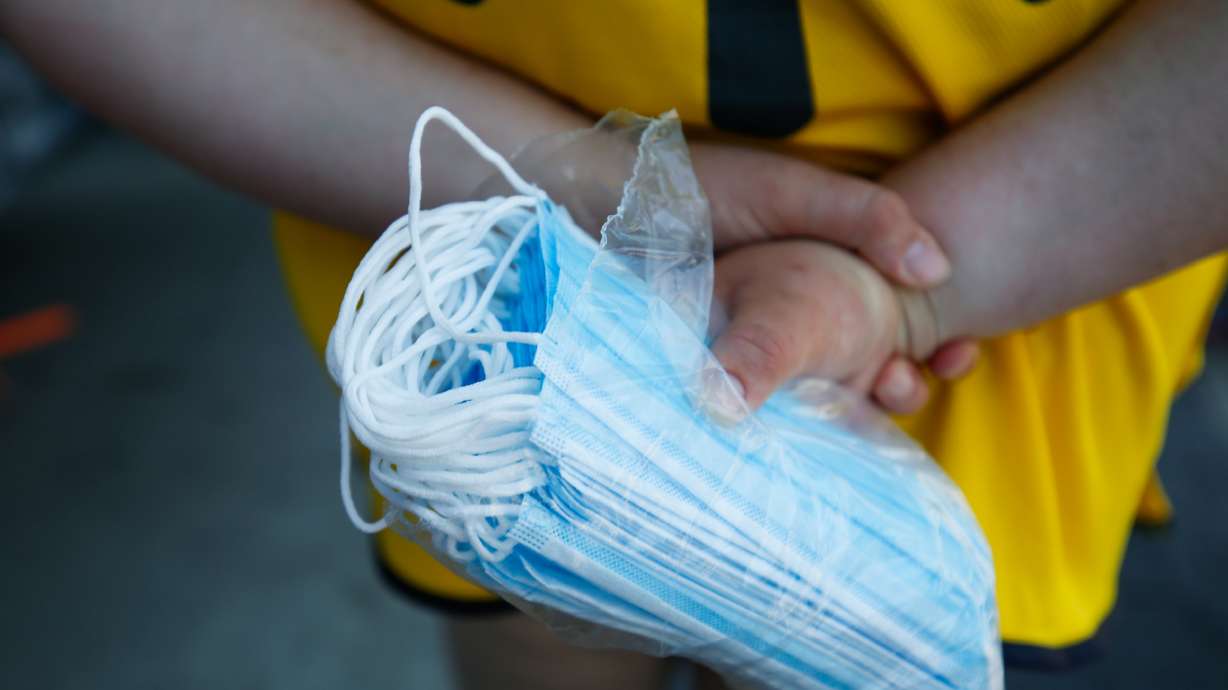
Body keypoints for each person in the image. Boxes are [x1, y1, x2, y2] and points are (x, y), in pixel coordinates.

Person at [6, 0, 1227, 687]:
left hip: (1030, 274)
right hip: (505, 317)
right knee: (540, 643)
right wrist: (572, 181)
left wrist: (918, 282)